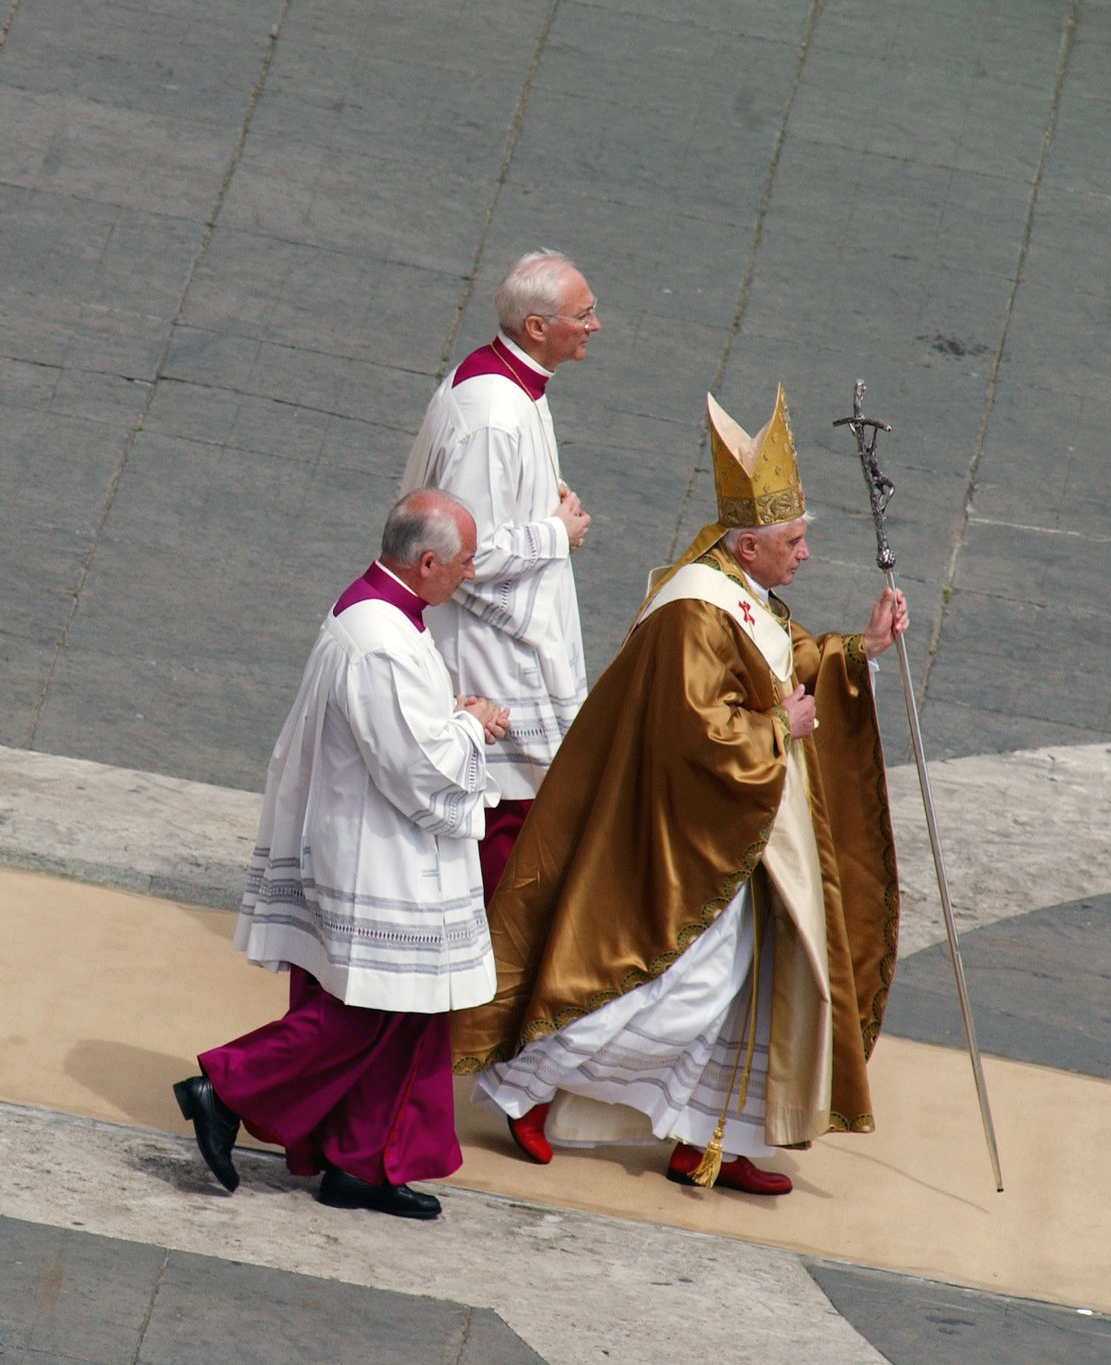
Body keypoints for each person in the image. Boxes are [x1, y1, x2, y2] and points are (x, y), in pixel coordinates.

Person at [452, 388, 905, 1196]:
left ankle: (705, 1137)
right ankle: (526, 1083)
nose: (803, 555)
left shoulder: (746, 588)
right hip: (684, 837)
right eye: (794, 541)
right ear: (751, 541)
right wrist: (781, 732)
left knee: (734, 985)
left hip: (749, 832)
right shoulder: (696, 609)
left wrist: (860, 648)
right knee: (679, 987)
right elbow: (695, 730)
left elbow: (790, 659)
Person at [173, 489, 510, 1221]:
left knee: (399, 1016)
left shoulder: (381, 614)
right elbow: (417, 770)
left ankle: (361, 1162)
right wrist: (474, 729)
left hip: (370, 844)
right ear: (425, 563)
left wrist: (447, 717)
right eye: (463, 561)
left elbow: (396, 734)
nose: (471, 573)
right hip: (379, 856)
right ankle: (223, 1088)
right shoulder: (380, 638)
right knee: (364, 1016)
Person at [399, 249, 599, 902]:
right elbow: (464, 552)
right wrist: (555, 533)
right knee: (499, 827)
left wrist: (548, 496)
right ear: (537, 328)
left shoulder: (516, 386)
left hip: (504, 650)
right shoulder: (492, 413)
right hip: (490, 659)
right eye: (583, 314)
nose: (595, 325)